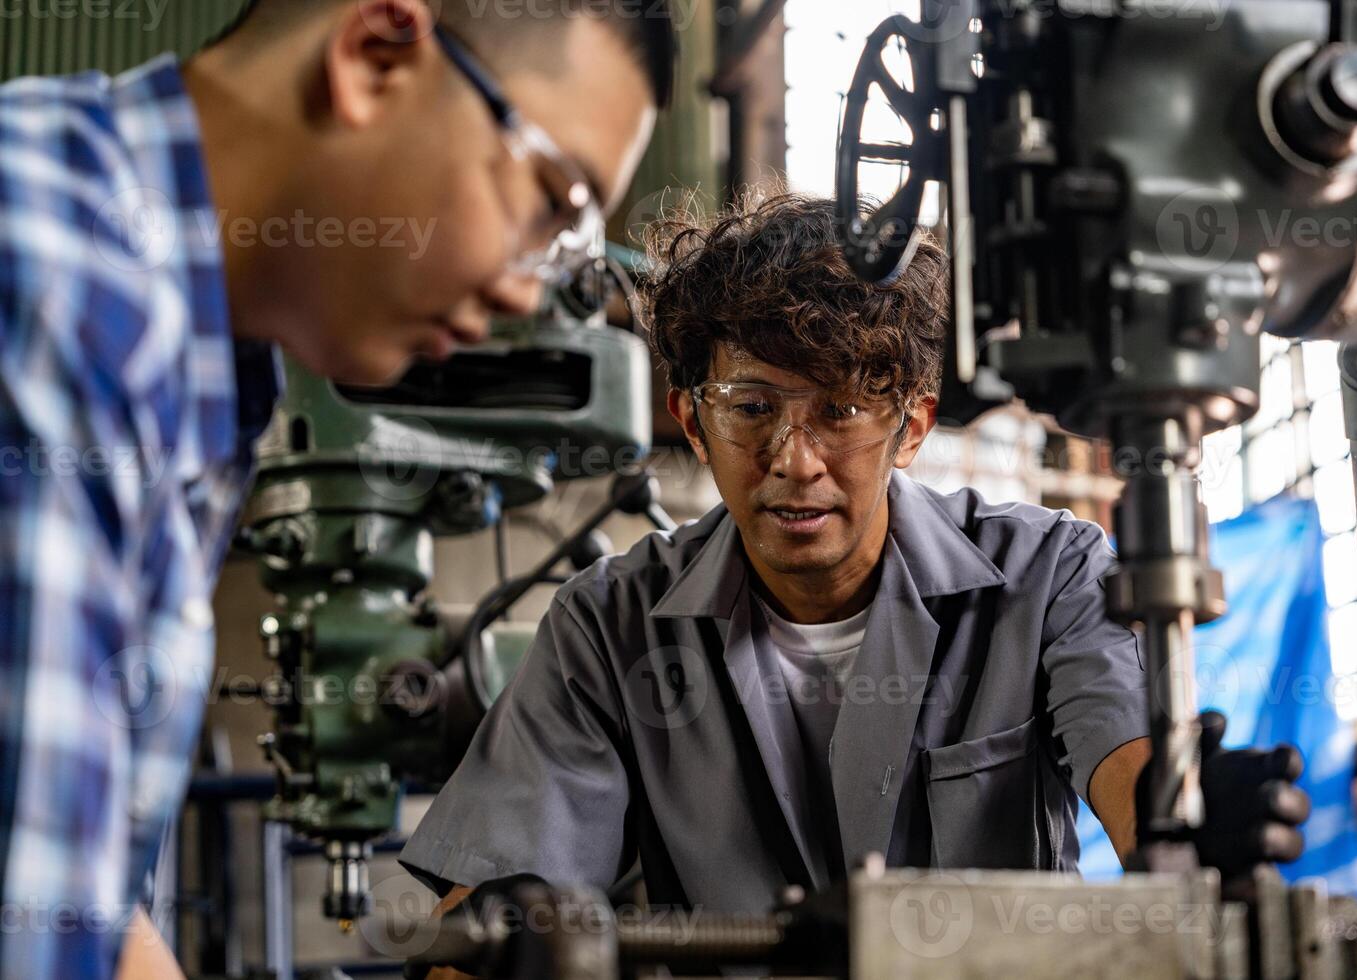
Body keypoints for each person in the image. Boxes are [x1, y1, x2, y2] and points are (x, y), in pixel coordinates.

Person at [401, 194, 1311, 945]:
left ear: (912, 426)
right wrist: (491, 943)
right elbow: (487, 920)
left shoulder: (1048, 574)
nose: (795, 459)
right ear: (691, 420)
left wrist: (1186, 813)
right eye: (751, 408)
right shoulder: (606, 630)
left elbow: (1129, 774)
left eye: (840, 409)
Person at [0, 1, 674, 976]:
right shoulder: (60, 295)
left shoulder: (196, 361)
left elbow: (81, 907)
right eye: (552, 200)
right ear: (375, 54)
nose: (531, 290)